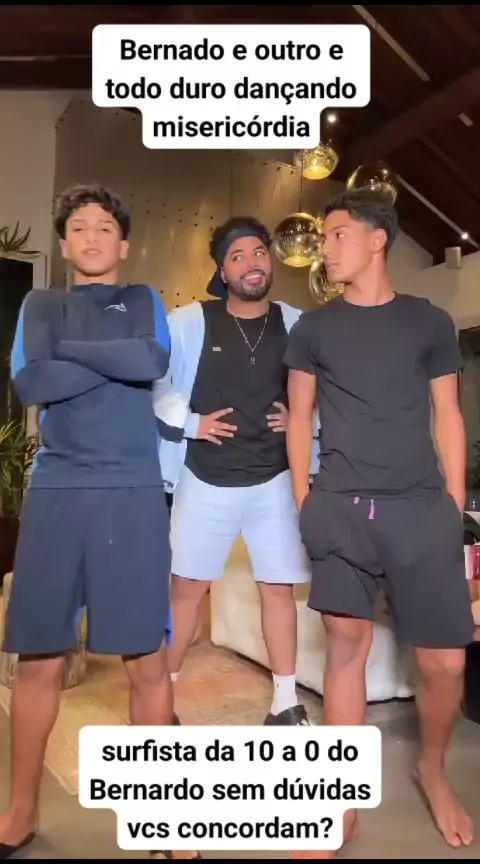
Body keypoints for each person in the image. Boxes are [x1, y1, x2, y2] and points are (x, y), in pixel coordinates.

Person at [284, 189, 475, 859]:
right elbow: (299, 418)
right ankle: (339, 801)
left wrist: (452, 504)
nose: (325, 249)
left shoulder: (430, 322)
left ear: (376, 240)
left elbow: (448, 416)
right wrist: (306, 501)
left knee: (446, 662)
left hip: (420, 510)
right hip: (340, 509)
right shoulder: (313, 331)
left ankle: (432, 769)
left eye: (337, 235)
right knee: (345, 644)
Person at [0, 184, 177, 859]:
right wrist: (109, 358)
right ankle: (19, 813)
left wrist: (68, 354)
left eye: (105, 227)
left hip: (132, 490)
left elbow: (150, 361)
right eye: (79, 227)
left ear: (123, 244)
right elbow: (31, 384)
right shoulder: (41, 305)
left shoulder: (144, 300)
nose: (93, 236)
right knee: (39, 660)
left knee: (146, 660)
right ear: (65, 243)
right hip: (58, 492)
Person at [153, 216, 320, 729]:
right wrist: (192, 423)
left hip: (276, 479)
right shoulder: (188, 322)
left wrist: (303, 419)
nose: (252, 263)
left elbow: (325, 388)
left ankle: (285, 703)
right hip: (205, 477)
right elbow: (155, 384)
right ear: (222, 272)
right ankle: (161, 701)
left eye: (259, 252)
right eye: (238, 256)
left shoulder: (298, 323)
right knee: (186, 589)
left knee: (278, 589)